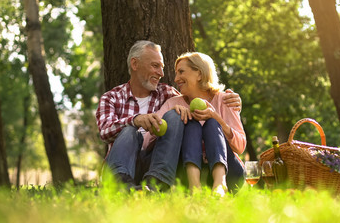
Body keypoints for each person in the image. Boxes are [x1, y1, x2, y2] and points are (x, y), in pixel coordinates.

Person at [96, 40, 241, 191]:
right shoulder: (111, 98)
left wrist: (232, 103)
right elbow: (105, 132)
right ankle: (120, 187)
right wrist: (135, 120)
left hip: (153, 164)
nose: (162, 73)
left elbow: (194, 101)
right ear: (135, 64)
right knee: (129, 130)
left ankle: (156, 185)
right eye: (155, 66)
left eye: (162, 67)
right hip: (123, 164)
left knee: (176, 115)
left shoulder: (168, 94)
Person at [143, 52, 246, 195]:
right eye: (176, 73)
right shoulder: (173, 103)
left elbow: (240, 147)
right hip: (185, 174)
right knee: (192, 124)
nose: (176, 78)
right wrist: (171, 117)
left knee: (211, 123)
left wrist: (217, 118)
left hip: (230, 174)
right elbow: (146, 142)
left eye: (181, 72)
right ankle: (195, 188)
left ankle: (220, 185)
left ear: (199, 74)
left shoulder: (225, 100)